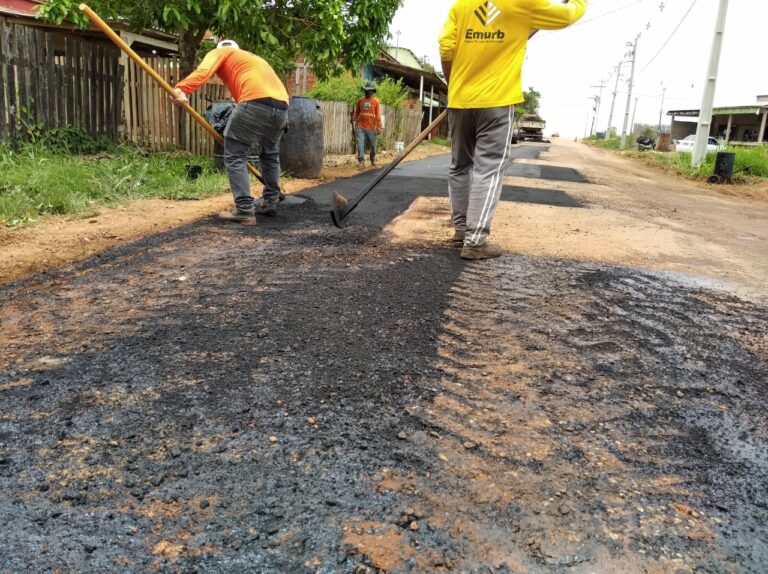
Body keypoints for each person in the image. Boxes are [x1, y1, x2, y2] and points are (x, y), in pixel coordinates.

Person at [438, 0, 587, 259]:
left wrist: (454, 86)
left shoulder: (462, 5)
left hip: (460, 99)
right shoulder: (523, 4)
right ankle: (475, 241)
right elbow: (568, 15)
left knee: (460, 165)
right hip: (497, 101)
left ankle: (461, 231)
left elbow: (447, 48)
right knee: (490, 167)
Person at [172, 40, 290, 222]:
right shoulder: (253, 60)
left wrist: (181, 89)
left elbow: (203, 72)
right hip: (282, 107)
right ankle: (271, 200)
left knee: (235, 154)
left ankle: (244, 208)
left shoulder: (221, 53)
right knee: (270, 154)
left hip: (255, 101)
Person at [352, 83, 383, 168]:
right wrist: (353, 118)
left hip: (372, 127)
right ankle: (361, 161)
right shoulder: (360, 100)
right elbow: (357, 112)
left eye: (370, 91)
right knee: (360, 143)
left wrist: (379, 127)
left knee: (373, 146)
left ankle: (372, 158)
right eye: (366, 90)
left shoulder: (376, 101)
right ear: (365, 90)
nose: (368, 92)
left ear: (372, 91)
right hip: (360, 126)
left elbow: (378, 115)